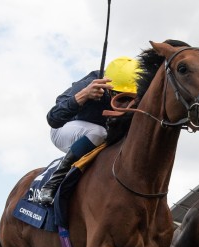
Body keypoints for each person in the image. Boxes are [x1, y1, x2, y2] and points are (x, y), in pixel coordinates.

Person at [37, 56, 141, 206]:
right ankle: (53, 183)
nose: (125, 104)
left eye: (130, 97)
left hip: (101, 139)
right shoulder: (89, 84)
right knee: (99, 132)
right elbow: (53, 119)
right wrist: (83, 95)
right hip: (65, 129)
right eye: (119, 95)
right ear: (108, 87)